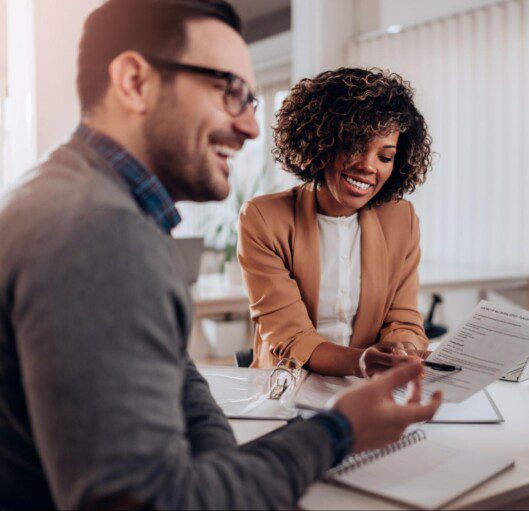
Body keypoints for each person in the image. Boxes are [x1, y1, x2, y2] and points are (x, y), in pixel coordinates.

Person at [0, 1, 441, 508]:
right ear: (134, 81)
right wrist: (339, 433)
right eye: (228, 92)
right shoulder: (96, 232)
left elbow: (179, 374)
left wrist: (226, 457)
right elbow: (153, 501)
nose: (252, 128)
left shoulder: (81, 197)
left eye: (250, 101)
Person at [238, 68, 433, 377]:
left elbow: (403, 319)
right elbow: (290, 337)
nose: (368, 167)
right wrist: (361, 362)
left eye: (385, 157)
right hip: (285, 385)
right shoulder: (264, 218)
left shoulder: (401, 219)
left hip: (365, 388)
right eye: (355, 146)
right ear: (322, 143)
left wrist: (402, 350)